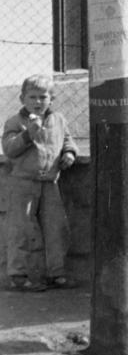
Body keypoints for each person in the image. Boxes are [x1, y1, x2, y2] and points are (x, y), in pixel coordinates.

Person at [2, 75, 78, 290]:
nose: (38, 101)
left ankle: (56, 273)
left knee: (56, 228)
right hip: (23, 183)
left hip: (49, 183)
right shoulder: (15, 122)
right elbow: (9, 149)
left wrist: (70, 153)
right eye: (32, 97)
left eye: (43, 97)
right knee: (21, 229)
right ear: (22, 99)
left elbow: (67, 139)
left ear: (51, 99)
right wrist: (28, 136)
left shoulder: (58, 120)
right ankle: (18, 275)